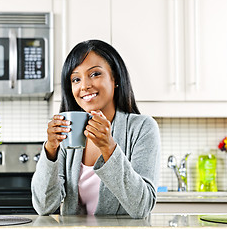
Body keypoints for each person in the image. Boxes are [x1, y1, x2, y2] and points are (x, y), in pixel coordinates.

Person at [31, 39, 161, 219]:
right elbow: (44, 206)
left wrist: (109, 148)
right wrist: (50, 150)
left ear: (115, 78)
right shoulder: (68, 132)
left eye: (94, 74)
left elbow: (141, 206)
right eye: (76, 79)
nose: (84, 86)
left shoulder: (142, 128)